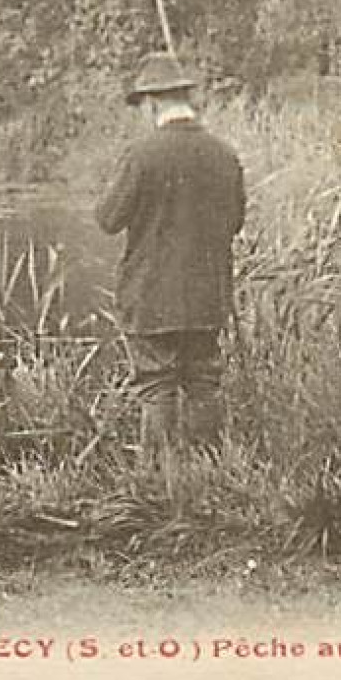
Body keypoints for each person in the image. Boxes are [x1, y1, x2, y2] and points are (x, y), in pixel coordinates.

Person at [96, 51, 246, 461]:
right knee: (204, 383)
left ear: (151, 102)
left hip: (152, 295)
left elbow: (108, 219)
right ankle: (211, 475)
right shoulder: (224, 154)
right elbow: (235, 221)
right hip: (207, 295)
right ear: (185, 98)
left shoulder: (140, 154)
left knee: (156, 385)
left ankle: (157, 483)